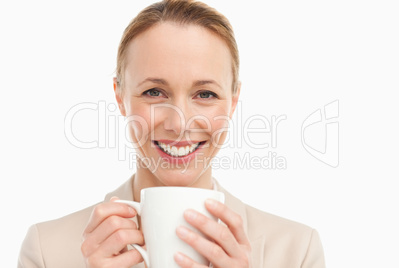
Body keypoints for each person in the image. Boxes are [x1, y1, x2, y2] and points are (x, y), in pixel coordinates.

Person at [18, 0, 326, 267]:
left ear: (233, 102)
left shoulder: (297, 252)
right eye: (154, 92)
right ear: (119, 96)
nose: (179, 124)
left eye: (205, 94)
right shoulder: (47, 251)